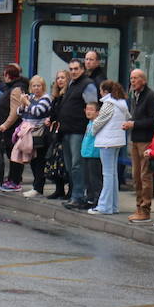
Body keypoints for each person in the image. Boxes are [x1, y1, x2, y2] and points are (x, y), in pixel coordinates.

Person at [57, 58, 98, 208]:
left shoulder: (87, 85)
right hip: (67, 130)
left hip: (79, 131)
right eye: (71, 69)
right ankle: (74, 194)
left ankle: (78, 196)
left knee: (77, 165)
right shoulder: (72, 84)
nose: (73, 71)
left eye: (76, 69)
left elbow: (92, 107)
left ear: (82, 69)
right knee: (70, 166)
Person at [7, 75, 53, 196]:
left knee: (39, 161)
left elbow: (37, 112)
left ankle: (38, 187)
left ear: (43, 87)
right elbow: (19, 113)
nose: (36, 88)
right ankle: (36, 186)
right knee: (31, 159)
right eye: (34, 86)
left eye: (39, 86)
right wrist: (23, 104)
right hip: (27, 133)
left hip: (39, 133)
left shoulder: (46, 98)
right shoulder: (31, 97)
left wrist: (27, 103)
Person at [89, 80, 129, 214]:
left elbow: (98, 122)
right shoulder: (122, 103)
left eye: (101, 90)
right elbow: (127, 117)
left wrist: (92, 130)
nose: (100, 92)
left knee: (107, 174)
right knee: (113, 174)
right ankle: (113, 205)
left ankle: (104, 206)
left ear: (105, 91)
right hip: (118, 141)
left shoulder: (108, 104)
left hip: (106, 142)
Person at [126, 69, 154, 222]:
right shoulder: (135, 95)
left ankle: (145, 209)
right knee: (136, 176)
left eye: (136, 78)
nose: (133, 81)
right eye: (131, 78)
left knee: (145, 176)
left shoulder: (150, 96)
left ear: (144, 80)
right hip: (135, 139)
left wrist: (134, 123)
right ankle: (139, 206)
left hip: (146, 140)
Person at [0, 65, 29, 190]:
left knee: (14, 154)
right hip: (10, 129)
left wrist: (5, 125)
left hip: (12, 130)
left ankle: (15, 180)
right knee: (12, 154)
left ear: (8, 75)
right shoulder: (13, 87)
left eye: (4, 74)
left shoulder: (16, 89)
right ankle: (12, 179)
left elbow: (15, 111)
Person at [45, 69, 70, 199]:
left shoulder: (67, 95)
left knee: (65, 162)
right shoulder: (56, 97)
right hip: (55, 132)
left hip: (64, 131)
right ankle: (59, 189)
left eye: (63, 78)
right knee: (55, 161)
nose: (60, 80)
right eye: (58, 78)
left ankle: (69, 190)